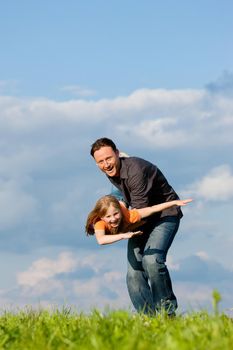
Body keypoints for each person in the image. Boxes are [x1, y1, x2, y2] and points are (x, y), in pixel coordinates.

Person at [90, 137, 186, 316]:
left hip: (163, 215)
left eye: (109, 158)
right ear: (96, 164)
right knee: (134, 272)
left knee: (151, 260)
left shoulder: (135, 171)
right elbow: (120, 196)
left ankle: (167, 315)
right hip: (139, 217)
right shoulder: (112, 170)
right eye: (100, 161)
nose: (106, 164)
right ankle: (148, 320)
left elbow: (139, 215)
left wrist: (115, 228)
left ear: (117, 154)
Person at [86, 195, 192, 246]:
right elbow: (101, 240)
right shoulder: (99, 222)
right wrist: (124, 235)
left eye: (116, 214)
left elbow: (152, 209)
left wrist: (173, 203)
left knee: (119, 192)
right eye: (108, 217)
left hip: (120, 200)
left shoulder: (130, 216)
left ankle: (124, 159)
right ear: (102, 217)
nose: (113, 219)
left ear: (120, 212)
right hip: (114, 201)